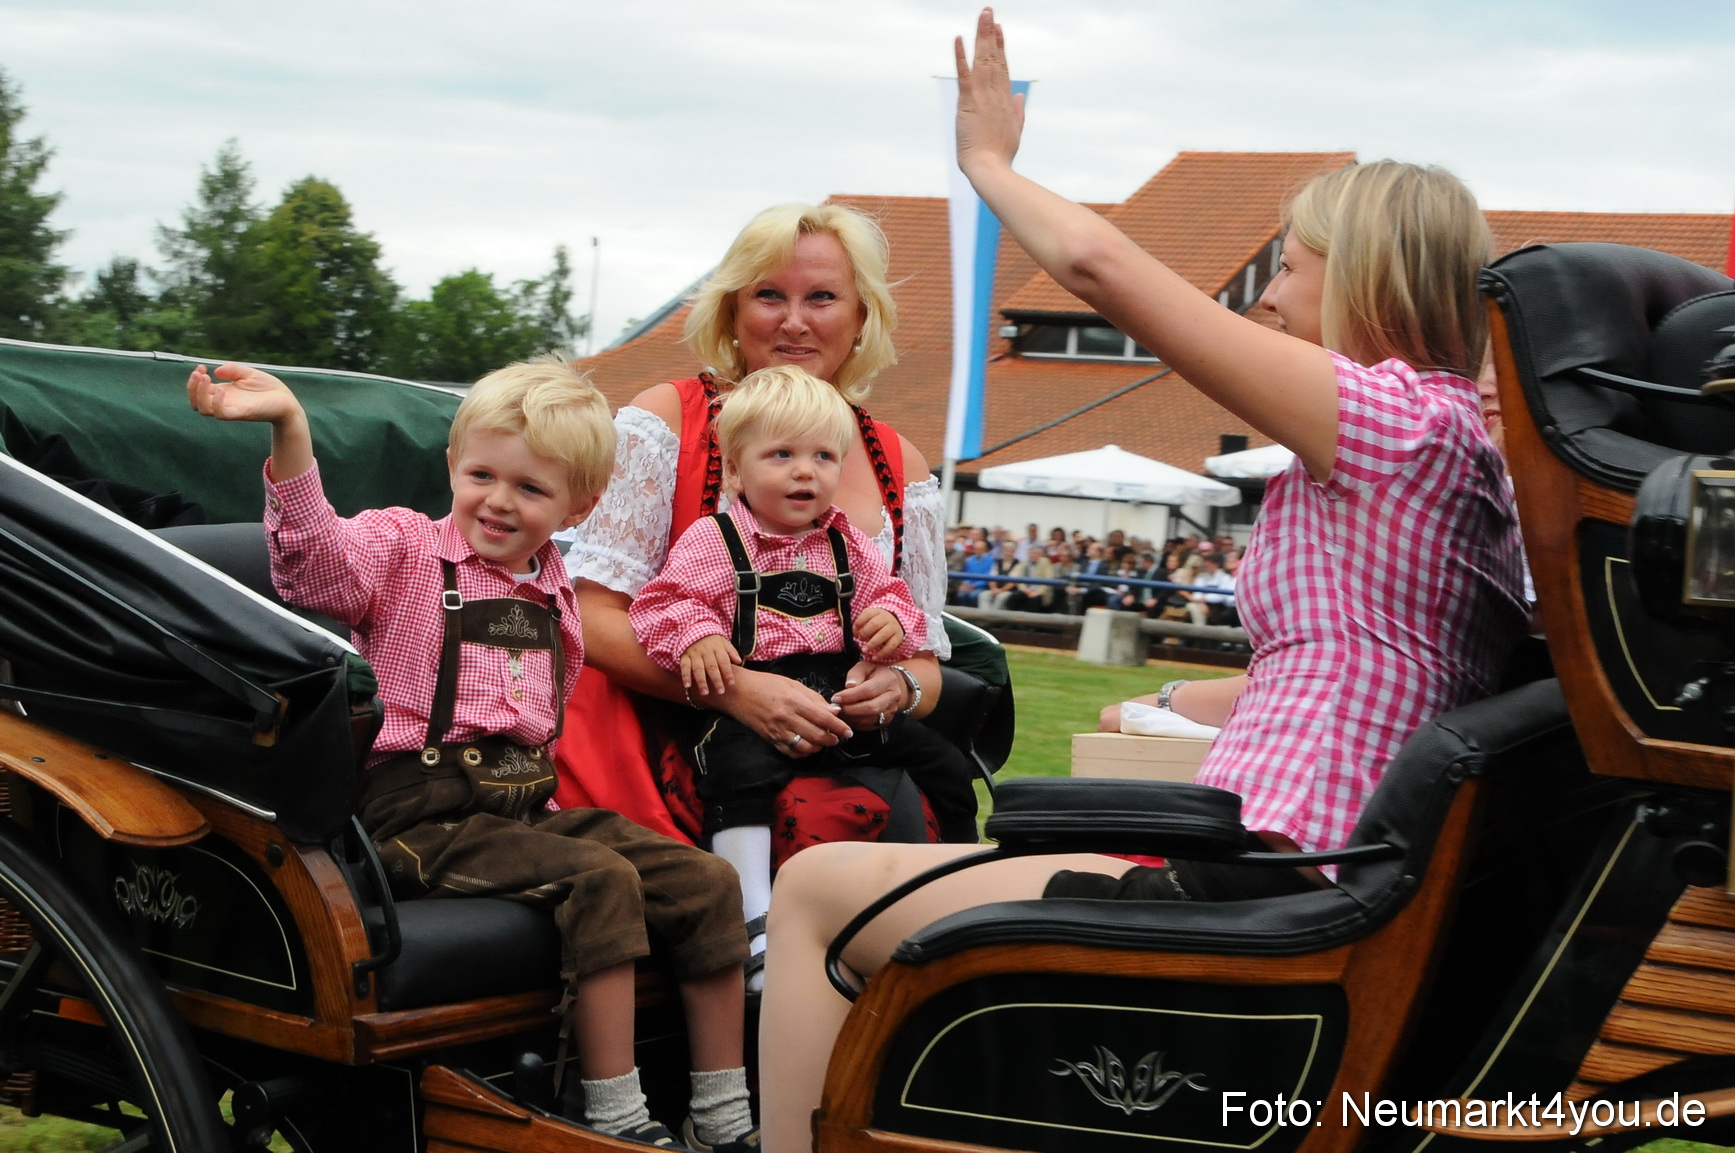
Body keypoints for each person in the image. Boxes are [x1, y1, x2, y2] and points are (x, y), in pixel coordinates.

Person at [756, 13, 1528, 1151]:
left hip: (1259, 886)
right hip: (1315, 874)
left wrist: (985, 164)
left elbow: (1100, 268)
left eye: (1291, 269)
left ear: (1364, 281)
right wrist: (1173, 702)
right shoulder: (1462, 447)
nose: (1265, 298)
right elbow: (1365, 662)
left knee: (821, 889)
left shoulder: (1385, 422)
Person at [186, 357, 756, 1151]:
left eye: (531, 489)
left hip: (520, 804)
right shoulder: (402, 549)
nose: (499, 500)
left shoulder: (554, 588)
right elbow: (311, 559)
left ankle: (723, 1114)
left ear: (578, 506)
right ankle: (615, 1114)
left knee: (706, 881)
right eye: (482, 473)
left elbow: (543, 725)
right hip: (414, 811)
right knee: (602, 880)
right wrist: (291, 431)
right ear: (453, 465)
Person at [557, 202, 955, 865]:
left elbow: (926, 661)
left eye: (822, 297)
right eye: (769, 294)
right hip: (656, 747)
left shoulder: (899, 461)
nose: (794, 320)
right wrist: (736, 690)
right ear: (733, 313)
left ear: (860, 318)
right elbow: (590, 615)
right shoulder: (669, 419)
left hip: (844, 751)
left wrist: (898, 688)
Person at [628, 367, 978, 988]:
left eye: (822, 457)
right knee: (739, 773)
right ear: (735, 471)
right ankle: (753, 917)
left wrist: (890, 624)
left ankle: (961, 881)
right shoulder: (715, 542)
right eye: (781, 455)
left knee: (946, 764)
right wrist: (699, 636)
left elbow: (898, 598)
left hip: (841, 696)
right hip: (752, 698)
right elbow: (660, 605)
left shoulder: (846, 544)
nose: (804, 471)